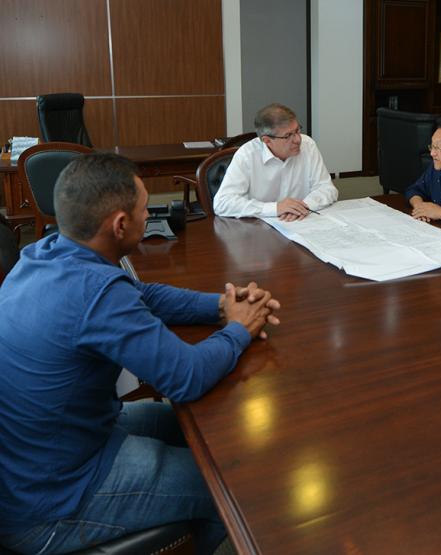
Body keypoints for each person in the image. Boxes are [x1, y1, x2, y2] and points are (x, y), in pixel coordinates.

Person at [0, 153, 282, 554]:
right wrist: (241, 328)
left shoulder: (45, 253)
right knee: (235, 487)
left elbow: (141, 294)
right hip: (52, 504)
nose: (149, 212)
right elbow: (186, 377)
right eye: (144, 207)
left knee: (198, 430)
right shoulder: (95, 292)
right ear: (120, 225)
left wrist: (223, 306)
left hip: (44, 456)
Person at [213, 103, 338, 221]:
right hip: (259, 230)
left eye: (297, 130)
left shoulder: (308, 145)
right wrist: (275, 208)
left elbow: (327, 189)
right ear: (267, 140)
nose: (298, 139)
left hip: (300, 223)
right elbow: (223, 203)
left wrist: (302, 206)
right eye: (288, 135)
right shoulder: (247, 155)